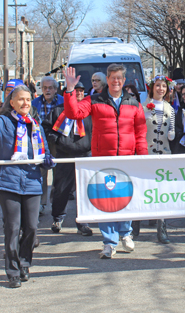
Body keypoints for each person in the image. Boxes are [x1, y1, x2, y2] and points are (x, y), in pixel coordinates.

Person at [63, 63, 148, 259]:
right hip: (103, 160)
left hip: (128, 160)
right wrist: (69, 90)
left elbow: (140, 133)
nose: (116, 81)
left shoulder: (134, 103)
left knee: (126, 199)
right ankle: (109, 242)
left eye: (119, 77)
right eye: (112, 77)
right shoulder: (94, 100)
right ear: (107, 80)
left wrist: (143, 157)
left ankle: (125, 233)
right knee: (106, 202)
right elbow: (73, 113)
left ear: (123, 80)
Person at [0, 80, 54, 288]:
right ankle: (12, 270)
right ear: (12, 102)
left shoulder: (34, 124)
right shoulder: (2, 122)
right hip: (7, 182)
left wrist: (47, 159)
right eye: (21, 99)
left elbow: (44, 149)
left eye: (28, 99)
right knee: (12, 227)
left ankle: (25, 263)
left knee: (32, 227)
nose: (26, 103)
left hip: (32, 181)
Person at [42, 81, 94, 237]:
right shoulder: (59, 111)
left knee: (84, 191)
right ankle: (58, 218)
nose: (78, 93)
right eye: (75, 91)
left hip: (85, 155)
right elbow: (46, 127)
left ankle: (83, 222)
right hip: (64, 155)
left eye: (81, 91)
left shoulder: (88, 112)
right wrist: (57, 140)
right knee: (61, 189)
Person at [132, 75, 176, 243]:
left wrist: (172, 133)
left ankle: (162, 228)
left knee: (162, 192)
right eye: (158, 85)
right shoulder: (142, 108)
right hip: (146, 154)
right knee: (142, 189)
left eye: (163, 86)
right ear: (152, 88)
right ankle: (136, 223)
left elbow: (172, 129)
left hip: (164, 154)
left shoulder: (170, 108)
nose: (161, 89)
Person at [32, 76, 64, 215]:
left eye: (50, 87)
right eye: (44, 88)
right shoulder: (35, 103)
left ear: (56, 89)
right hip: (40, 142)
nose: (47, 90)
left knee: (58, 174)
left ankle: (56, 203)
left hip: (57, 141)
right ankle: (41, 204)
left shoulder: (63, 102)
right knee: (41, 173)